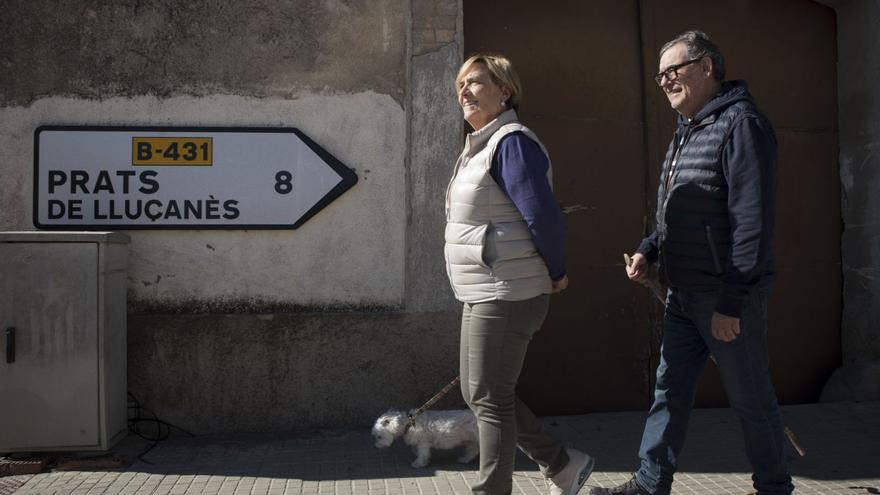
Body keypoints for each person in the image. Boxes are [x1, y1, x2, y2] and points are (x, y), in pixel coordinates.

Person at [590, 31, 793, 495]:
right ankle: (649, 482)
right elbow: (675, 215)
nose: (664, 82)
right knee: (670, 392)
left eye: (673, 71)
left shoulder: (742, 125)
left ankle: (775, 486)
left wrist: (732, 303)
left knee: (751, 400)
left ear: (706, 67)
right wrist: (649, 249)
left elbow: (752, 223)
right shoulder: (689, 130)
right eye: (659, 75)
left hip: (725, 296)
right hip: (683, 294)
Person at [445, 53, 594, 495]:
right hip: (485, 286)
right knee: (483, 395)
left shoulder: (511, 142)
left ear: (504, 91)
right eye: (461, 87)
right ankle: (562, 463)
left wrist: (558, 270)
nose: (464, 93)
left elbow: (542, 215)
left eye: (474, 83)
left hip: (508, 291)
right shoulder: (480, 146)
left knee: (489, 397)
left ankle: (494, 489)